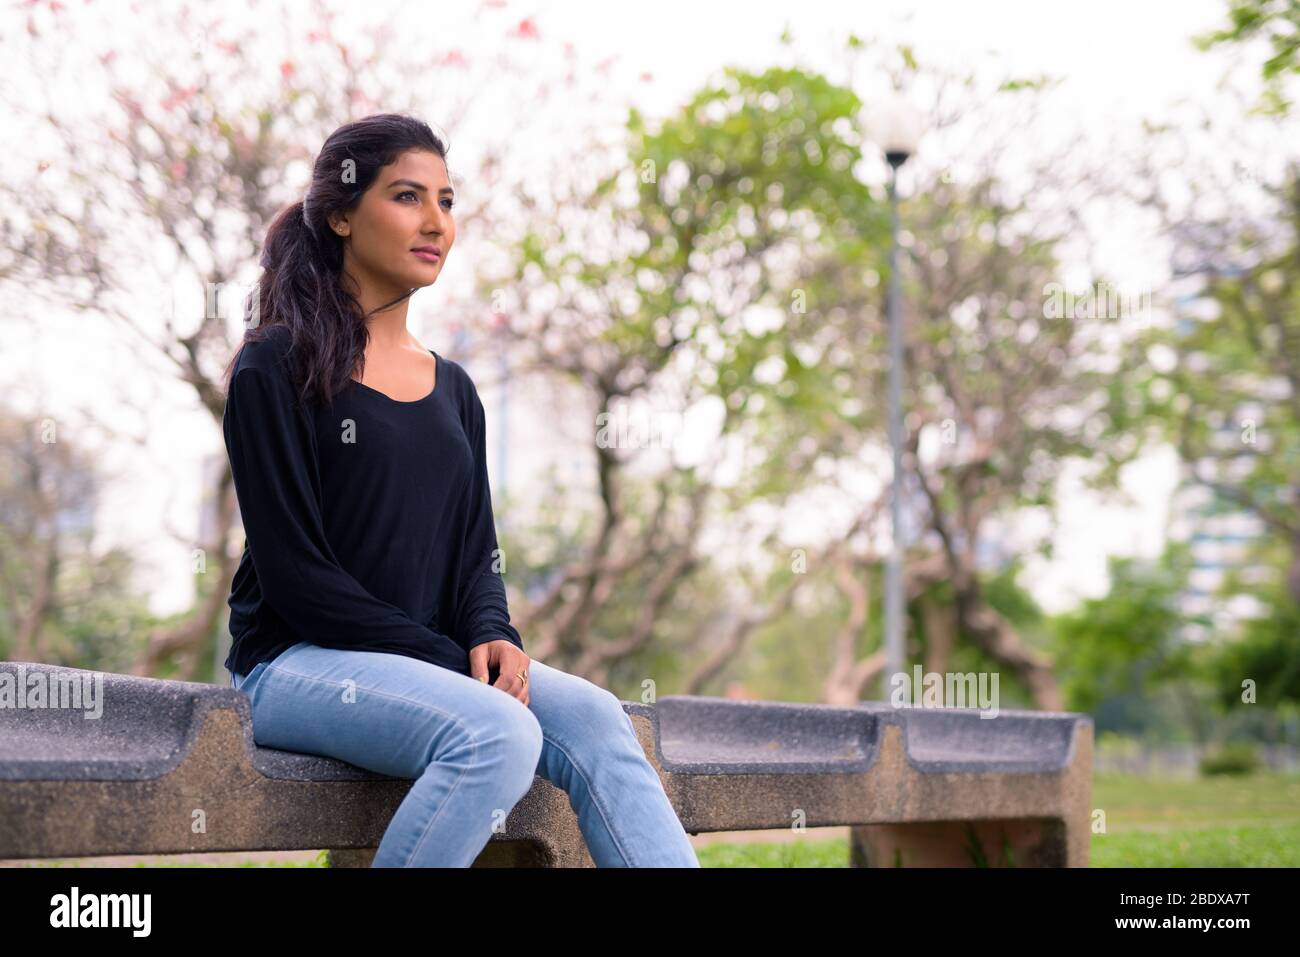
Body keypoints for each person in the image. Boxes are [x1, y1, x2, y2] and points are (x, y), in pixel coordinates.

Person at [220, 112, 698, 868]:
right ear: (341, 213)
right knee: (496, 729)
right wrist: (447, 657)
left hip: (429, 665)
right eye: (408, 197)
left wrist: (493, 633)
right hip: (295, 663)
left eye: (446, 200)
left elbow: (478, 551)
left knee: (601, 718)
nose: (435, 221)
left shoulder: (455, 389)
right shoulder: (275, 366)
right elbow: (297, 579)